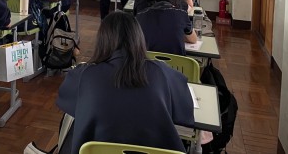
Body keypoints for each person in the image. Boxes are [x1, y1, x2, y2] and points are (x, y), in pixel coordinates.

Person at [56, 12, 194, 154]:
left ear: (102, 40)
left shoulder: (84, 75)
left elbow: (64, 100)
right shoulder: (162, 71)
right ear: (139, 38)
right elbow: (186, 109)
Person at [134, 0, 198, 55]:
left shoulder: (141, 15)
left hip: (147, 61)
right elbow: (193, 40)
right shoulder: (181, 14)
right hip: (176, 63)